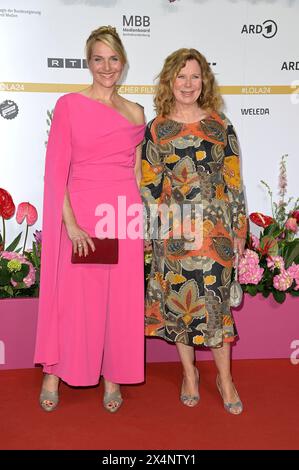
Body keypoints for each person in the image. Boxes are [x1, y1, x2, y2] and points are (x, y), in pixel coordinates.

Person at [34, 26, 145, 413]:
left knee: (119, 299)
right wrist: (71, 223)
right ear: (88, 62)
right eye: (98, 59)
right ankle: (55, 372)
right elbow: (56, 172)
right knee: (78, 297)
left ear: (123, 62)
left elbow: (135, 173)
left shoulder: (135, 112)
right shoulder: (69, 105)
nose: (106, 66)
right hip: (84, 215)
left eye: (113, 59)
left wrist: (140, 220)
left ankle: (112, 376)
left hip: (123, 215)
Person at [141, 48, 247, 414]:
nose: (188, 83)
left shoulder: (220, 126)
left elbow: (233, 180)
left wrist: (239, 227)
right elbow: (150, 184)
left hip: (216, 229)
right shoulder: (157, 129)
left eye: (195, 76)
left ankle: (225, 378)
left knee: (215, 305)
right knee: (181, 305)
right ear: (170, 80)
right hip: (175, 233)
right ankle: (189, 374)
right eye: (181, 76)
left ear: (205, 81)